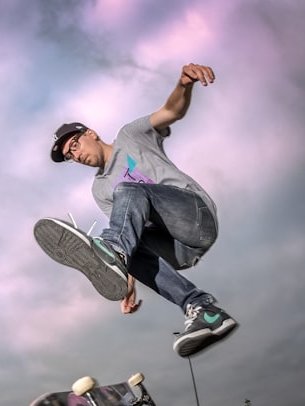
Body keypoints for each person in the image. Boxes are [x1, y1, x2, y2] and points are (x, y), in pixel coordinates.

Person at [44, 63, 237, 357]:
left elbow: (171, 112)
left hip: (195, 217)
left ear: (91, 134)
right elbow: (127, 234)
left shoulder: (130, 136)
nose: (76, 155)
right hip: (178, 250)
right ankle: (203, 310)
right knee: (125, 248)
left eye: (75, 145)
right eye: (70, 155)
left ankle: (114, 254)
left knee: (128, 190)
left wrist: (183, 84)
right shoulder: (99, 190)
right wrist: (127, 282)